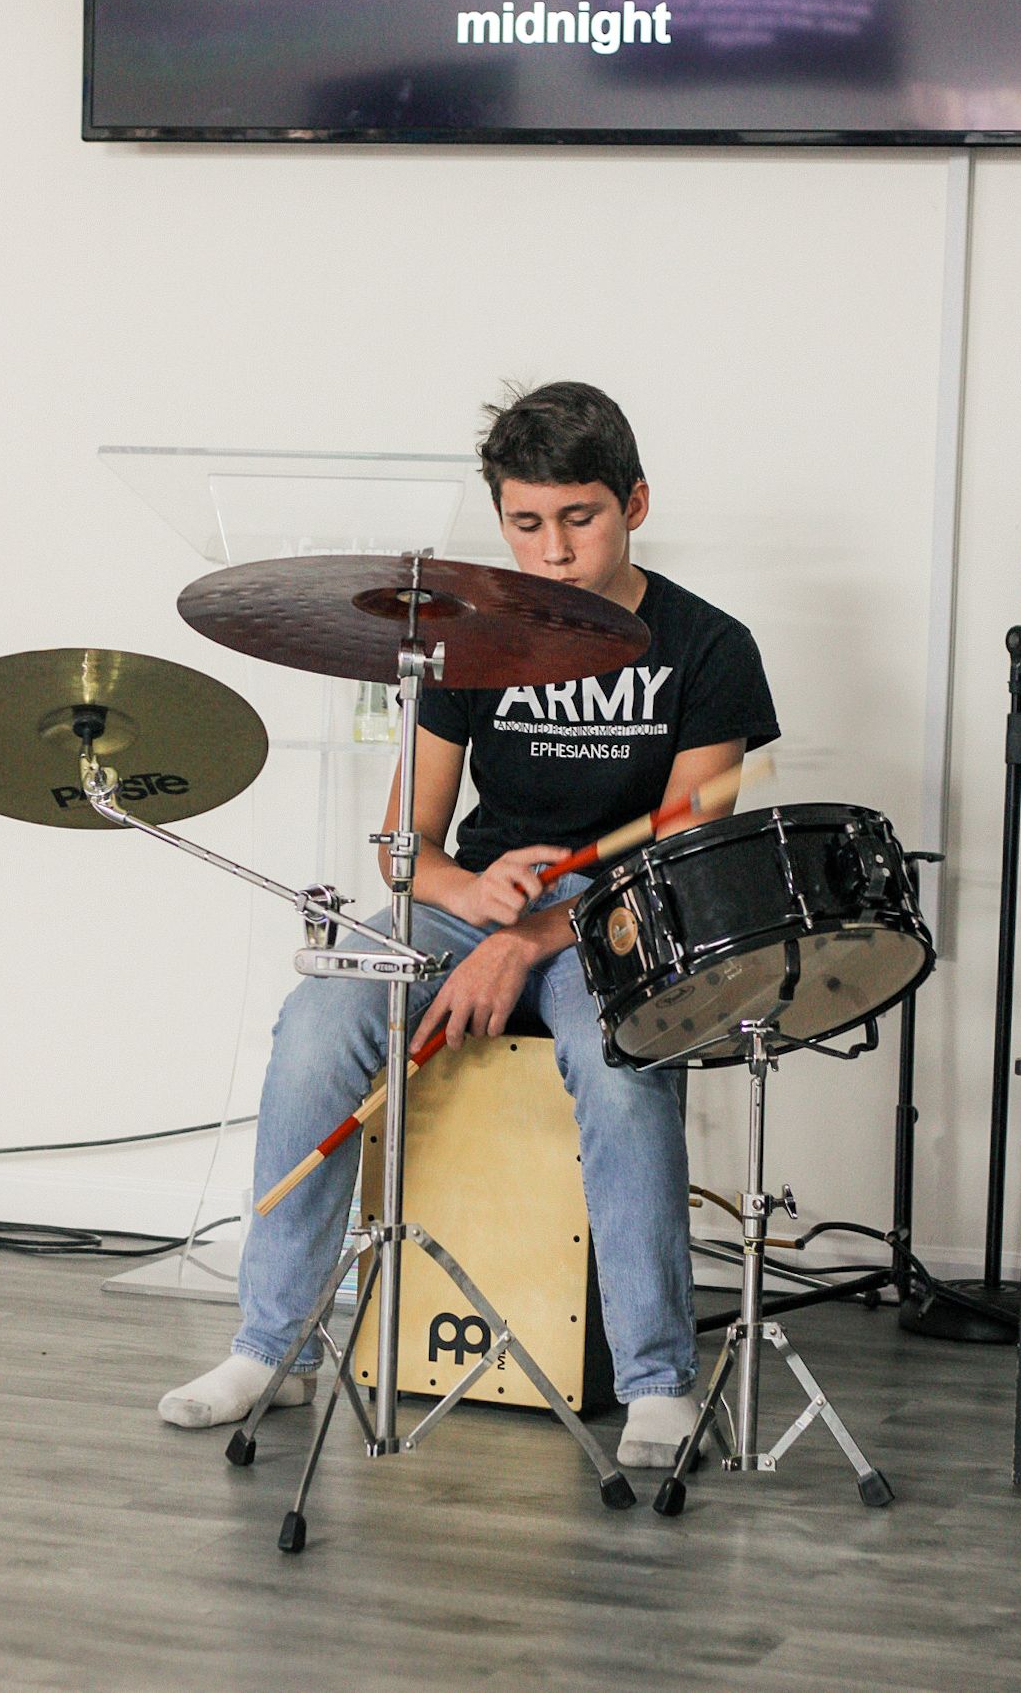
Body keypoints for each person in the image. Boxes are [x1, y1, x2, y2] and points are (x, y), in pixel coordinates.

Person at [159, 382, 779, 1465]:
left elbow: (684, 847)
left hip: (625, 916)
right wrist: (463, 893)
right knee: (320, 1018)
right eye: (524, 523)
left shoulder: (708, 646)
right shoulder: (467, 638)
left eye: (578, 518)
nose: (550, 551)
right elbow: (410, 840)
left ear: (633, 501)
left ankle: (654, 1382)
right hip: (484, 902)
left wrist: (536, 936)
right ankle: (270, 1347)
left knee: (618, 1053)